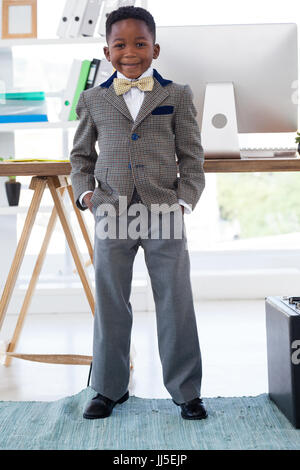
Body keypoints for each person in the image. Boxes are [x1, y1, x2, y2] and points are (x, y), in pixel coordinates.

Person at [70, 5, 207, 421]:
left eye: (140, 43)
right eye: (120, 44)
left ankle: (186, 392)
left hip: (164, 207)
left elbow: (192, 155)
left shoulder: (177, 95)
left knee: (175, 300)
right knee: (112, 301)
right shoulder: (93, 99)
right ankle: (108, 389)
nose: (130, 51)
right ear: (108, 51)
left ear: (155, 48)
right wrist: (86, 197)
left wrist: (183, 199)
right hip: (111, 210)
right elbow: (79, 157)